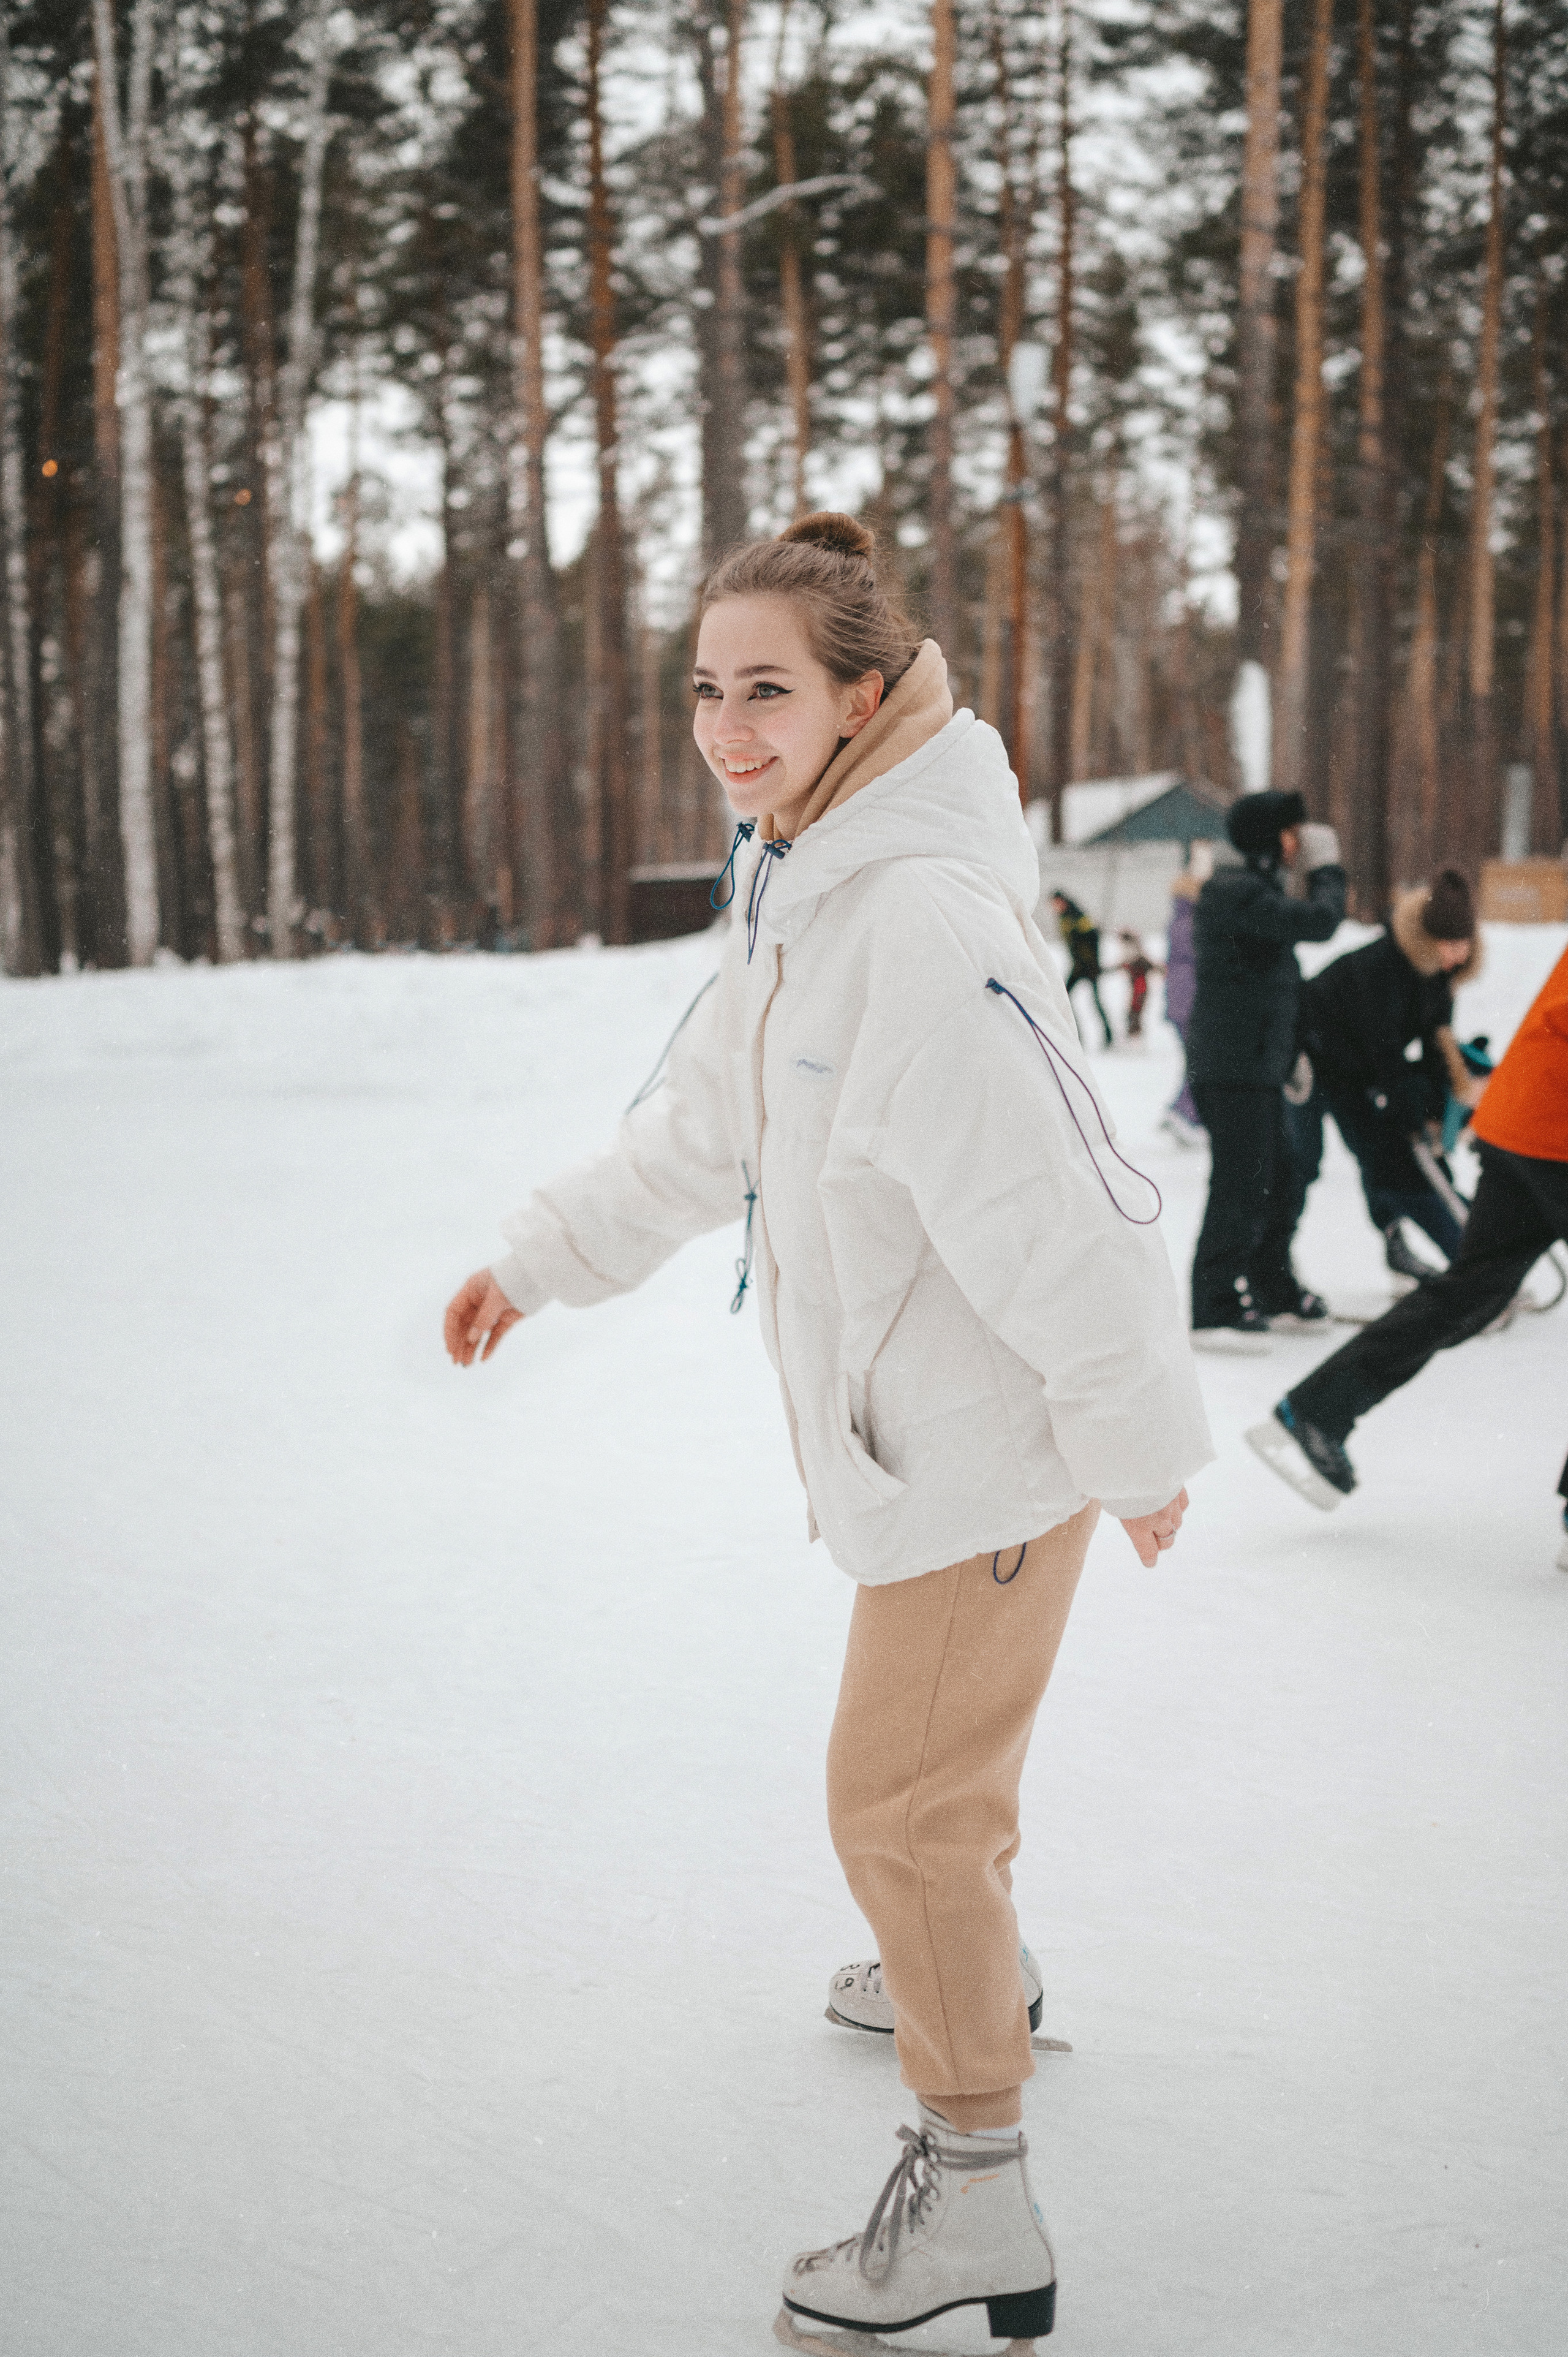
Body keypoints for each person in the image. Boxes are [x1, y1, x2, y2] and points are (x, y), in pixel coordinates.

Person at [442, 511, 1213, 2346]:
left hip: (991, 1456)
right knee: (937, 1776)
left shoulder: (913, 920)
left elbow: (1061, 1206)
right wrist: (541, 1258)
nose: (727, 725)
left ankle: (972, 2193)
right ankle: (982, 1975)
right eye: (707, 689)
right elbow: (706, 1124)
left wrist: (1133, 1442)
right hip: (924, 1435)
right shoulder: (802, 877)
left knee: (899, 1800)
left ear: (863, 696)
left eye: (768, 690)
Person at [1248, 942, 1568, 1569]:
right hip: (1550, 1125)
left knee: (1473, 1289)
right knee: (1472, 1288)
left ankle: (1317, 1410)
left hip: (1524, 1116)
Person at [1185, 790, 1348, 1347]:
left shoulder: (1254, 893)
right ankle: (1213, 1304)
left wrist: (1295, 1048)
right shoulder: (1235, 894)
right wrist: (1327, 868)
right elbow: (1322, 923)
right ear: (1268, 839)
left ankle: (1272, 1287)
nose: (1297, 844)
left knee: (1282, 1174)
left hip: (1255, 1064)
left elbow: (1275, 983)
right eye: (1291, 833)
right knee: (1242, 1182)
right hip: (1232, 1068)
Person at [1286, 869, 1483, 1279]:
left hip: (1352, 1069)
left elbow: (1435, 1042)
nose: (1459, 954)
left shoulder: (1438, 977)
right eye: (1451, 944)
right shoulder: (1382, 967)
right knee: (1298, 1162)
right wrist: (1405, 1102)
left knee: (1382, 1154)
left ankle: (1396, 1239)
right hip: (1305, 1055)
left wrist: (1433, 1104)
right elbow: (1383, 1048)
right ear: (1428, 940)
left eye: (1465, 944)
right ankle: (1269, 1265)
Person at [1161, 849, 1210, 1146]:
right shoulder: (1192, 923)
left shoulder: (1177, 920)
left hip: (1180, 1000)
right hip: (1191, 1001)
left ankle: (1187, 1113)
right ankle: (1183, 1113)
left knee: (1196, 1060)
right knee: (1199, 1062)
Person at [1049, 889, 1114, 1048]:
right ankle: (1076, 1036)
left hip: (1088, 966)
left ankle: (1108, 1037)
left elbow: (1094, 936)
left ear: (1061, 901)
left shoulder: (1077, 915)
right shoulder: (1064, 917)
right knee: (1065, 999)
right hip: (1078, 966)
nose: (1054, 907)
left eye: (1055, 903)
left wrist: (1093, 962)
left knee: (1095, 1002)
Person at [1118, 930, 1161, 1039]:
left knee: (1135, 1013)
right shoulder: (1133, 957)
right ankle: (1134, 1035)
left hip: (1140, 988)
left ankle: (1135, 1036)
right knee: (1133, 1013)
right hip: (1137, 988)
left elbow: (1153, 967)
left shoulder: (1138, 958)